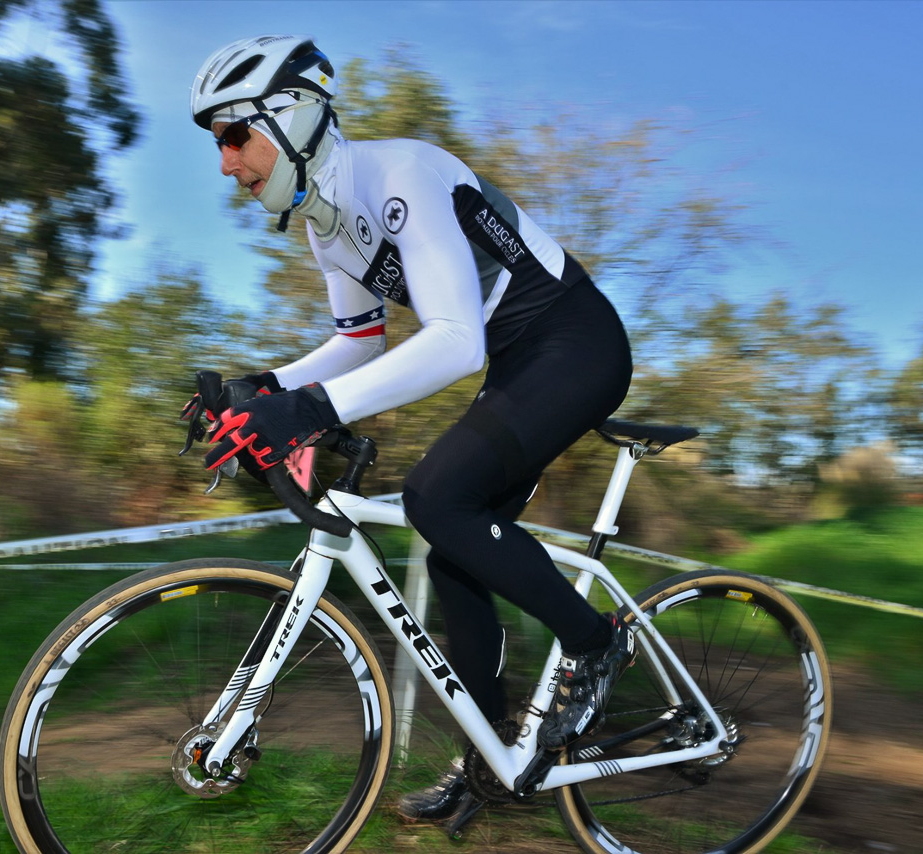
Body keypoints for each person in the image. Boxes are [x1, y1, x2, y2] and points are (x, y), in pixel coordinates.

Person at [188, 34, 636, 822]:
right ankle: (494, 761)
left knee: (438, 497)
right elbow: (359, 341)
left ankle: (596, 642)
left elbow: (456, 339)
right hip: (518, 361)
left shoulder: (400, 175)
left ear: (289, 118)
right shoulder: (328, 221)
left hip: (575, 344)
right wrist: (267, 386)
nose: (226, 163)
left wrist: (311, 411)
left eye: (233, 135)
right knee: (457, 543)